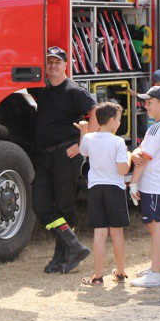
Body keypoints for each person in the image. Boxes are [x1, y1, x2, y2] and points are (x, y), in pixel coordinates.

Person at [29, 46, 96, 274]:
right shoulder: (43, 90)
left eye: (57, 62)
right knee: (41, 204)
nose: (53, 66)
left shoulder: (74, 91)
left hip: (66, 155)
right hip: (44, 156)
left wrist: (82, 144)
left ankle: (62, 256)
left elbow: (95, 111)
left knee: (65, 205)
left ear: (66, 65)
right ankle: (73, 247)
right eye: (49, 62)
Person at [76, 102, 131, 286]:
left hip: (95, 189)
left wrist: (83, 130)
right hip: (114, 188)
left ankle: (98, 276)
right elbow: (123, 170)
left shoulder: (90, 139)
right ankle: (121, 272)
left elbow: (82, 150)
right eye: (118, 119)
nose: (119, 123)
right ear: (111, 120)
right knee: (117, 233)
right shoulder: (118, 142)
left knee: (99, 234)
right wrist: (130, 158)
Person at [129, 86, 160, 288]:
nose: (145, 105)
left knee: (156, 227)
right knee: (158, 227)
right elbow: (143, 152)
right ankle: (158, 268)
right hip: (159, 184)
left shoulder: (157, 129)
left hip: (154, 185)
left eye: (150, 101)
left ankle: (156, 273)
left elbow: (143, 160)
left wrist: (133, 183)